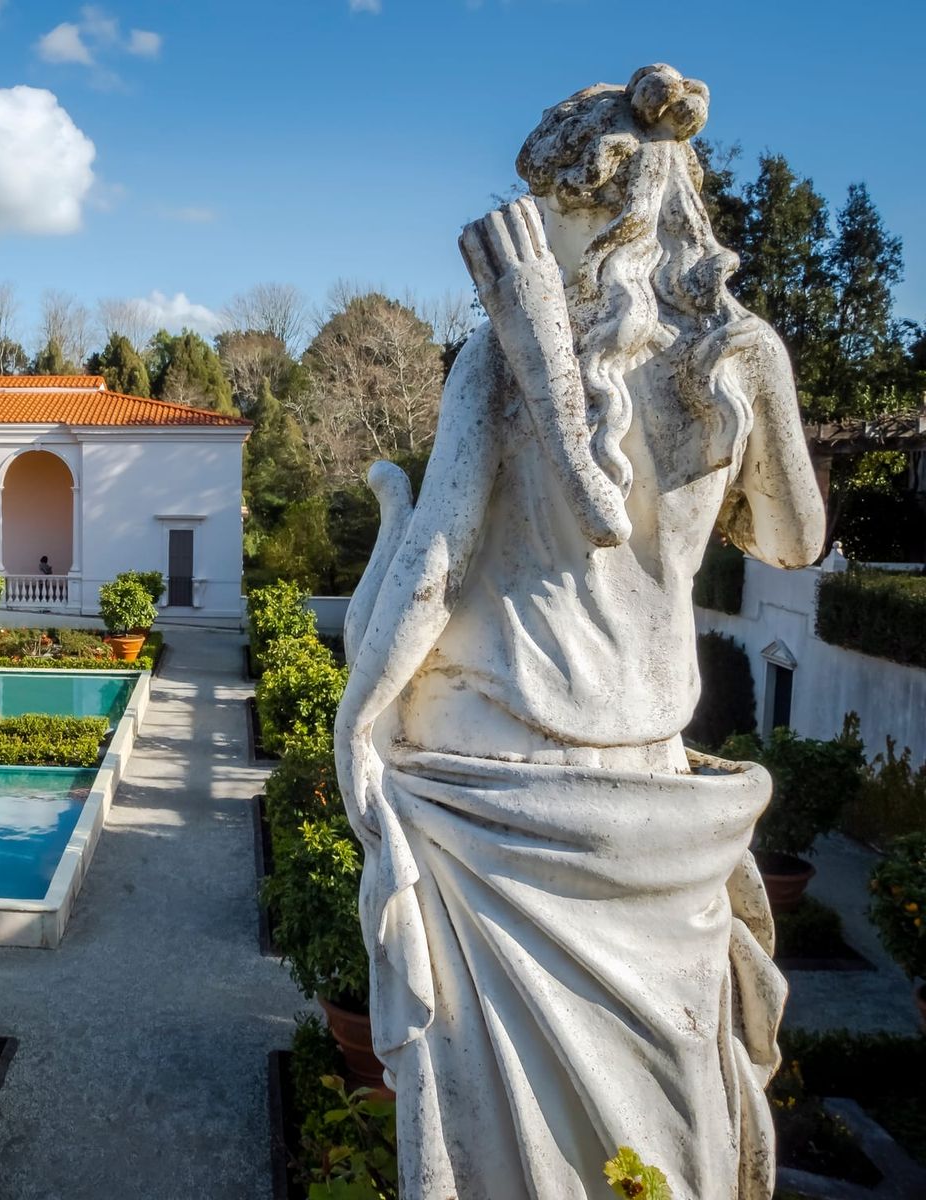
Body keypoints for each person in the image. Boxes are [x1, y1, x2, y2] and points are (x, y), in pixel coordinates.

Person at [335, 65, 823, 1199]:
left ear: (582, 205)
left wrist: (356, 719)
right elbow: (795, 539)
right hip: (649, 785)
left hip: (497, 784)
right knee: (665, 1111)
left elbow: (430, 565)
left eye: (545, 212)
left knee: (501, 1135)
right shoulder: (740, 352)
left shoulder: (501, 362)